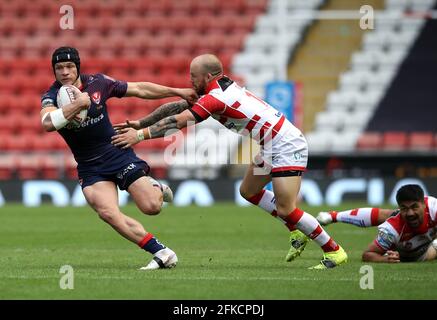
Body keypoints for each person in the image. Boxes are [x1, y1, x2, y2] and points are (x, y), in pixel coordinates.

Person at [111, 53, 348, 269]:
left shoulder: (217, 98)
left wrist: (140, 136)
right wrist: (141, 123)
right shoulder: (219, 89)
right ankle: (296, 230)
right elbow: (177, 106)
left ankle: (334, 251)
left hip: (286, 144)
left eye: (194, 76)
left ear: (209, 76)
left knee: (287, 208)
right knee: (249, 191)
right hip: (270, 144)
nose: (190, 80)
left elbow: (180, 121)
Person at [40, 47, 198, 270]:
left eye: (69, 66)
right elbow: (47, 123)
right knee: (107, 213)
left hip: (116, 151)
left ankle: (156, 188)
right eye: (59, 68)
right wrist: (78, 104)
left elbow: (139, 89)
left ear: (78, 67)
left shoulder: (98, 83)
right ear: (54, 71)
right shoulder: (51, 97)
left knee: (152, 207)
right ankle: (162, 253)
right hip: (89, 166)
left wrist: (178, 91)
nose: (65, 72)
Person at [361, 184, 437, 263]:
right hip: (414, 257)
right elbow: (367, 254)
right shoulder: (391, 229)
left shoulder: (434, 209)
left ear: (424, 204)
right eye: (404, 208)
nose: (410, 213)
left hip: (428, 246)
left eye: (414, 207)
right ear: (399, 208)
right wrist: (385, 259)